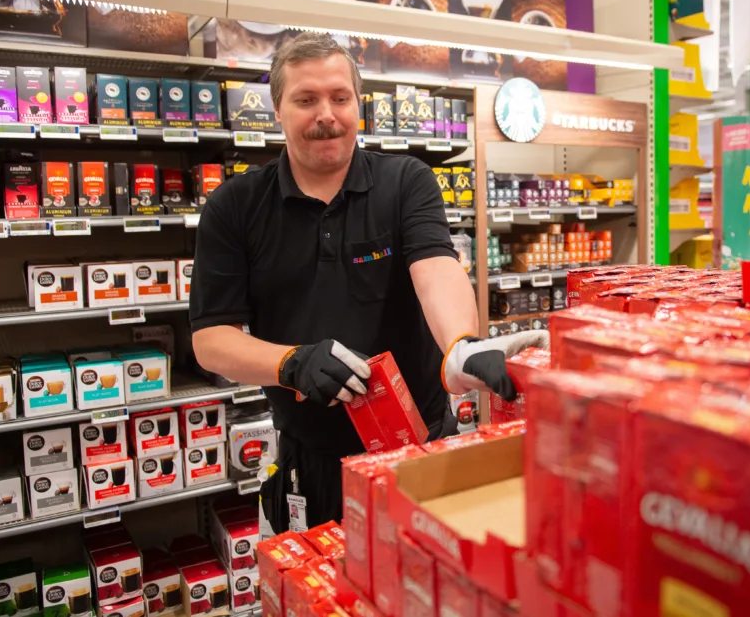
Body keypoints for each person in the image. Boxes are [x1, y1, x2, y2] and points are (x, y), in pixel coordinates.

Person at [190, 31, 546, 532]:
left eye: (340, 98)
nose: (326, 115)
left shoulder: (406, 181)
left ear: (359, 104)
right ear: (277, 109)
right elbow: (210, 340)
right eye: (306, 100)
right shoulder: (234, 206)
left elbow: (436, 268)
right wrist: (291, 363)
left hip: (422, 448)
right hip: (312, 464)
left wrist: (461, 346)